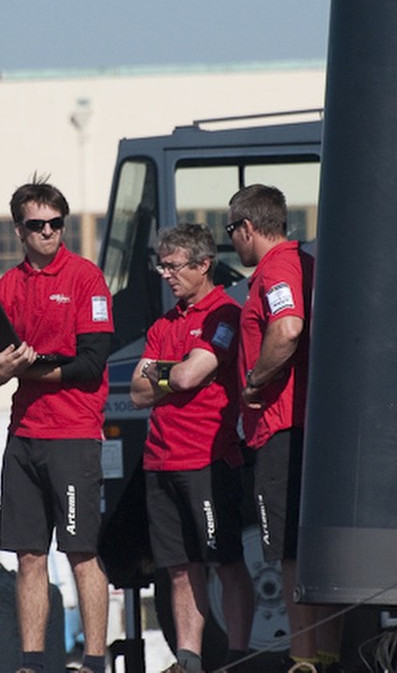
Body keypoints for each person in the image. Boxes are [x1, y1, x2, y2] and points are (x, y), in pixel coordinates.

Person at [0, 174, 113, 673]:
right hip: (23, 435)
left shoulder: (86, 278)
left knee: (81, 552)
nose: (49, 233)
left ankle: (93, 661)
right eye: (38, 225)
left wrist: (26, 368)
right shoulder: (7, 287)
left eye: (57, 224)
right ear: (19, 230)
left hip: (72, 434)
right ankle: (31, 662)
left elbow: (93, 363)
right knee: (29, 557)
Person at [226, 184, 341, 673]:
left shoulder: (276, 270)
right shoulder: (307, 263)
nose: (231, 241)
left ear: (249, 228)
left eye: (231, 231)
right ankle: (327, 655)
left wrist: (256, 377)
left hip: (282, 427)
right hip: (308, 427)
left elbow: (288, 326)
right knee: (315, 551)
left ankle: (303, 659)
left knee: (289, 552)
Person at [129, 224, 254, 673]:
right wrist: (175, 371)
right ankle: (189, 659)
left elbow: (187, 376)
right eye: (161, 265)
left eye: (174, 265)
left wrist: (168, 372)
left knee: (225, 561)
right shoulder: (164, 324)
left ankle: (239, 655)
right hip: (160, 459)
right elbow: (137, 391)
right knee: (180, 568)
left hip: (207, 458)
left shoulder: (224, 314)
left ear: (203, 265)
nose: (166, 274)